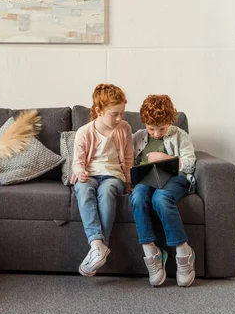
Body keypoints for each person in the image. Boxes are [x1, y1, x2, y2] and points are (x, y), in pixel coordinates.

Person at [130, 94, 196, 287]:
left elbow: (190, 164)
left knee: (161, 199)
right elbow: (130, 163)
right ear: (144, 123)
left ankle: (184, 252)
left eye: (162, 128)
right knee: (138, 196)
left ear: (170, 122)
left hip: (175, 178)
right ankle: (151, 252)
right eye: (151, 129)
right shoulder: (138, 137)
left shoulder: (180, 135)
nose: (157, 134)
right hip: (147, 179)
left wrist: (163, 158)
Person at [72, 83, 134, 276]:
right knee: (83, 189)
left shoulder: (124, 128)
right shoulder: (84, 132)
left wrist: (129, 182)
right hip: (90, 174)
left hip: (113, 175)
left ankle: (99, 248)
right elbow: (77, 162)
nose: (119, 118)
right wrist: (80, 171)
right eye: (114, 113)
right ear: (99, 111)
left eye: (121, 113)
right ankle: (97, 244)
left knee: (106, 193)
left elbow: (129, 159)